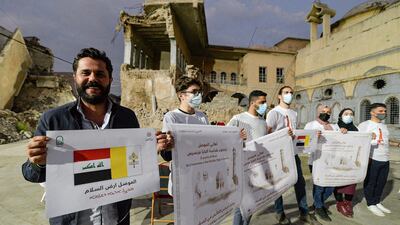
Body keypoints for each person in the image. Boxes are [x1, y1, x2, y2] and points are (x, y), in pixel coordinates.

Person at [21, 48, 171, 225]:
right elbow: (32, 175)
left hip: (116, 219)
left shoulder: (126, 117)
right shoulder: (53, 119)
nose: (92, 79)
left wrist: (151, 150)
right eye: (85, 73)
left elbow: (132, 164)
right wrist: (36, 162)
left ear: (109, 80)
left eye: (100, 74)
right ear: (75, 77)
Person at [266, 86, 319, 225]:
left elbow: (296, 134)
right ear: (279, 96)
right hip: (279, 154)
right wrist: (283, 135)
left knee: (299, 182)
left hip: (293, 153)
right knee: (279, 185)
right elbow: (267, 135)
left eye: (291, 93)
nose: (289, 95)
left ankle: (304, 212)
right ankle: (280, 212)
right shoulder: (273, 113)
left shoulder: (294, 113)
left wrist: (311, 137)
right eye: (286, 92)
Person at [159, 76, 209, 196]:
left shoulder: (202, 116)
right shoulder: (172, 117)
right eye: (194, 92)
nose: (198, 96)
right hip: (183, 177)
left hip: (201, 176)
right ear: (181, 95)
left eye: (199, 92)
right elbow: (167, 153)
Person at [227, 90, 268, 225]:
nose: (265, 105)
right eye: (262, 102)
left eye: (265, 102)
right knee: (241, 206)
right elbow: (225, 139)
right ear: (252, 103)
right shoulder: (237, 119)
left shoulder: (263, 122)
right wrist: (237, 139)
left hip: (258, 169)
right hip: (242, 168)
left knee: (253, 203)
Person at [304, 105, 339, 222]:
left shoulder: (334, 126)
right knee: (319, 186)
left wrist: (343, 132)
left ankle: (317, 204)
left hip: (331, 160)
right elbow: (305, 144)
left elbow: (340, 140)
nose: (326, 113)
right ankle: (319, 207)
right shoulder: (311, 125)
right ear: (317, 112)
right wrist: (314, 137)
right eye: (323, 111)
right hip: (316, 160)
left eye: (328, 112)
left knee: (330, 186)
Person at [358, 103, 391, 217]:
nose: (384, 113)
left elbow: (385, 141)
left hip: (385, 158)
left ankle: (377, 201)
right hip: (373, 158)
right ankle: (370, 203)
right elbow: (359, 141)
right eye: (381, 111)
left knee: (381, 182)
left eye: (385, 111)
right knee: (371, 182)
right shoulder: (364, 125)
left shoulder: (384, 125)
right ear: (372, 112)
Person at [334, 108, 358, 218]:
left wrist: (369, 136)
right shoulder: (335, 127)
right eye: (346, 114)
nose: (349, 116)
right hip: (338, 160)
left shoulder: (355, 129)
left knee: (352, 182)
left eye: (351, 114)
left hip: (351, 160)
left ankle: (348, 203)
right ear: (340, 116)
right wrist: (340, 133)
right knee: (339, 182)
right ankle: (339, 203)